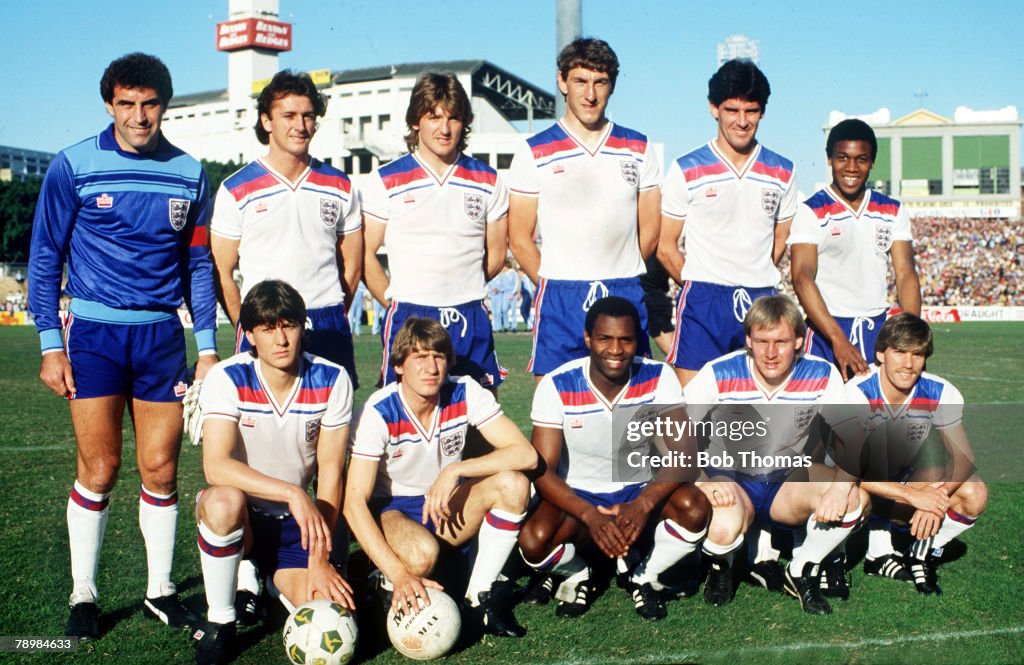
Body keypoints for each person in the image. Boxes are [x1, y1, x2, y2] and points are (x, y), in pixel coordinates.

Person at [28, 53, 218, 639]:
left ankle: (160, 590)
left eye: (150, 104)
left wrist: (207, 346)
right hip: (93, 334)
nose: (139, 116)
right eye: (127, 104)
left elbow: (200, 264)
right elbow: (44, 257)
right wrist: (49, 344)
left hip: (161, 335)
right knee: (101, 466)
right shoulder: (73, 165)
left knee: (161, 468)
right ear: (110, 104)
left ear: (165, 105)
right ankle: (83, 592)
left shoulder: (190, 172)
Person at [192, 280, 354, 665]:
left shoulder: (333, 379)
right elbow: (216, 466)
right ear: (249, 334)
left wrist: (319, 558)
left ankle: (266, 578)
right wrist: (294, 492)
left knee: (336, 615)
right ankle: (221, 621)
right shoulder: (227, 377)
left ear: (303, 327)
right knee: (222, 501)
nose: (280, 339)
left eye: (289, 325)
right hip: (244, 516)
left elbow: (331, 474)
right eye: (267, 328)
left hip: (298, 527)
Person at [518, 297, 709, 621]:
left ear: (639, 339)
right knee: (534, 541)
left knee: (695, 508)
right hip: (580, 494)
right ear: (588, 338)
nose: (616, 349)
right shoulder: (558, 384)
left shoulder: (657, 376)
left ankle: (643, 574)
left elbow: (684, 455)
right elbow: (543, 470)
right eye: (605, 338)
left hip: (638, 489)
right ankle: (581, 574)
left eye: (626, 339)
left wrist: (643, 504)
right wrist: (589, 514)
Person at [344, 318, 537, 638]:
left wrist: (455, 470)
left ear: (449, 362)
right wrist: (399, 573)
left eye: (438, 356)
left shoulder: (464, 391)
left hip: (443, 502)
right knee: (421, 557)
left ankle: (479, 598)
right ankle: (383, 579)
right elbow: (354, 504)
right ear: (399, 366)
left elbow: (525, 454)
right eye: (419, 357)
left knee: (514, 483)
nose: (430, 367)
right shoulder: (378, 412)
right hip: (394, 508)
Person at [683, 295, 861, 615]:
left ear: (799, 340)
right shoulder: (719, 372)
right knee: (723, 529)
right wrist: (701, 480)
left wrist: (839, 487)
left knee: (852, 499)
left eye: (780, 341)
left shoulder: (822, 373)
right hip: (732, 479)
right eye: (761, 340)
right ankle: (720, 567)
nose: (770, 352)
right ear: (748, 339)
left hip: (785, 482)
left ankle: (802, 567)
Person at [508, 38, 661, 379]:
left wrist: (622, 268)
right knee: (555, 407)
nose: (590, 94)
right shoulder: (534, 150)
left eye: (600, 82)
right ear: (562, 82)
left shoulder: (638, 146)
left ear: (612, 86)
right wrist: (554, 281)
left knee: (633, 413)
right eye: (580, 81)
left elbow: (650, 230)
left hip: (623, 289)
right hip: (562, 295)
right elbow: (518, 237)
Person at [210, 70, 361, 387]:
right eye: (289, 115)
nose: (300, 125)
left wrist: (331, 310)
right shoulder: (236, 188)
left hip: (326, 320)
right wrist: (249, 325)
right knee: (263, 428)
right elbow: (222, 272)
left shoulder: (341, 184)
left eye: (308, 116)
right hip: (266, 323)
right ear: (267, 121)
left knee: (336, 430)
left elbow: (352, 264)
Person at [362, 73, 507, 389]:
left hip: (469, 312)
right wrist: (394, 303)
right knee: (404, 418)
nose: (444, 128)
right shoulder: (386, 179)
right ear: (416, 121)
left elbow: (496, 254)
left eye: (453, 118)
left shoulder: (489, 179)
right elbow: (365, 254)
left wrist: (460, 287)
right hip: (411, 314)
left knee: (480, 414)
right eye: (434, 117)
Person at [658, 59, 797, 388]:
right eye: (732, 110)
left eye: (751, 111)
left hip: (760, 298)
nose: (742, 121)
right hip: (704, 300)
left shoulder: (782, 171)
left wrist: (750, 274)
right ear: (714, 109)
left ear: (762, 112)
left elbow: (780, 239)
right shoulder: (686, 168)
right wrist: (704, 280)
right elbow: (666, 247)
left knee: (761, 404)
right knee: (694, 408)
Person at [832, 313, 987, 595]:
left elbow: (963, 459)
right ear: (880, 353)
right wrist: (916, 498)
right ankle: (835, 557)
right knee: (850, 494)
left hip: (905, 479)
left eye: (917, 354)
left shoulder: (939, 391)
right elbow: (848, 467)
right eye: (899, 352)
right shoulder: (856, 393)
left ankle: (921, 551)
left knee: (974, 491)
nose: (908, 363)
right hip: (861, 481)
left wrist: (935, 498)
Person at [790, 118, 921, 381]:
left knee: (879, 420)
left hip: (877, 330)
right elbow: (801, 277)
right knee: (817, 419)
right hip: (826, 332)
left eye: (861, 159)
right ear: (829, 159)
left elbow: (905, 273)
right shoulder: (811, 210)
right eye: (842, 158)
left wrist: (912, 339)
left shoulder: (892, 210)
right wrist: (838, 339)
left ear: (872, 162)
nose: (851, 167)